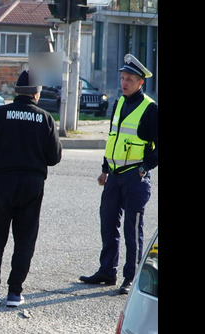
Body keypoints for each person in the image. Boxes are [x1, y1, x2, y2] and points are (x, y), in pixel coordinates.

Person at [0, 70, 63, 307]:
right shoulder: (46, 119)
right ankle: (15, 293)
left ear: (16, 91)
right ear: (37, 94)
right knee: (25, 239)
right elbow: (54, 158)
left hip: (2, 184)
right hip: (32, 186)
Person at [79, 54, 158, 295]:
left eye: (129, 79)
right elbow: (113, 138)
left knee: (132, 231)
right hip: (114, 176)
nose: (124, 83)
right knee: (108, 224)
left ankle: (130, 277)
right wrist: (105, 169)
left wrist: (144, 168)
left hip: (135, 177)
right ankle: (107, 271)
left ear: (140, 83)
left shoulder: (150, 108)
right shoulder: (119, 102)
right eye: (123, 78)